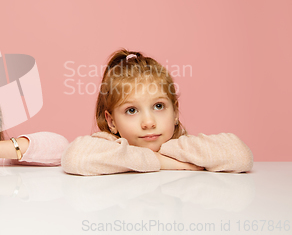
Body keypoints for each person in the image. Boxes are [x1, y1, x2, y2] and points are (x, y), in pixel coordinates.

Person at [62, 49, 253, 176]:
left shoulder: (181, 147)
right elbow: (75, 158)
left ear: (175, 112)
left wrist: (167, 153)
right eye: (131, 110)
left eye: (159, 106)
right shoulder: (111, 145)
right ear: (111, 122)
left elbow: (241, 155)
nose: (148, 122)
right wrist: (159, 161)